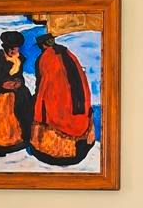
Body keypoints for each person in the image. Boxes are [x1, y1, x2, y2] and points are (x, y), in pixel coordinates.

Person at [29, 32, 95, 165]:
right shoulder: (68, 53)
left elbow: (43, 84)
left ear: (43, 46)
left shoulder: (45, 58)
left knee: (46, 109)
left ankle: (54, 150)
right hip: (79, 102)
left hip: (58, 101)